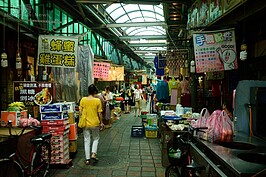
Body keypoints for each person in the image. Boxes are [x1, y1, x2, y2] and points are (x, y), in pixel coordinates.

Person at [79, 84, 103, 165]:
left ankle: (87, 159)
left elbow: (80, 112)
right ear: (95, 92)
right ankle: (93, 153)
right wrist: (101, 123)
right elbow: (100, 113)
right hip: (95, 123)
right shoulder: (97, 101)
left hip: (85, 123)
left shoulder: (83, 100)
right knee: (96, 138)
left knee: (86, 140)